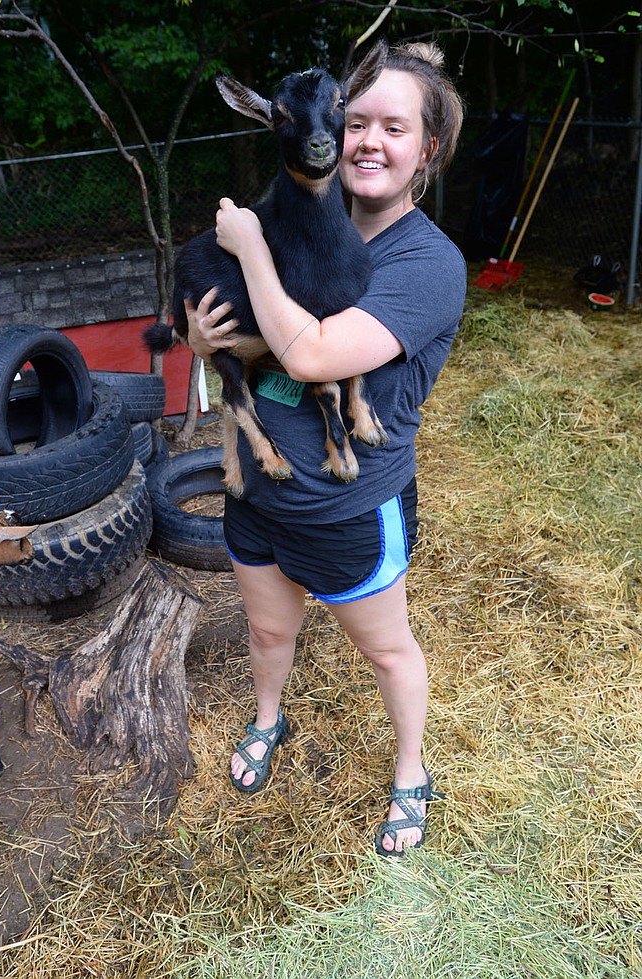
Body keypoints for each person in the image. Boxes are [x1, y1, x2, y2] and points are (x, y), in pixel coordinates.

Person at [185, 40, 466, 856]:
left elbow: (307, 353)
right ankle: (268, 717)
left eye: (394, 127)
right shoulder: (308, 228)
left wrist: (248, 248)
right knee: (268, 634)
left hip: (346, 503)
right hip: (260, 495)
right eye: (356, 122)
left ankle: (410, 769)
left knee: (385, 649)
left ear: (427, 151)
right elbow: (250, 342)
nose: (367, 141)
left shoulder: (428, 264)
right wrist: (206, 341)